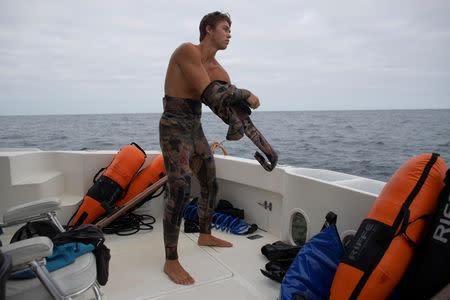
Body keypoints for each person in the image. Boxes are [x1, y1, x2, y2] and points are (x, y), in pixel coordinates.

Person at [159, 11, 260, 285]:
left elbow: (224, 108)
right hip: (173, 126)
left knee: (210, 183)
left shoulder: (219, 71)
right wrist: (244, 93)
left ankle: (204, 234)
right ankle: (171, 260)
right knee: (179, 190)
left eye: (230, 30)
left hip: (194, 126)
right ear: (208, 30)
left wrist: (240, 122)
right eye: (225, 28)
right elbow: (211, 94)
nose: (229, 34)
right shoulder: (187, 52)